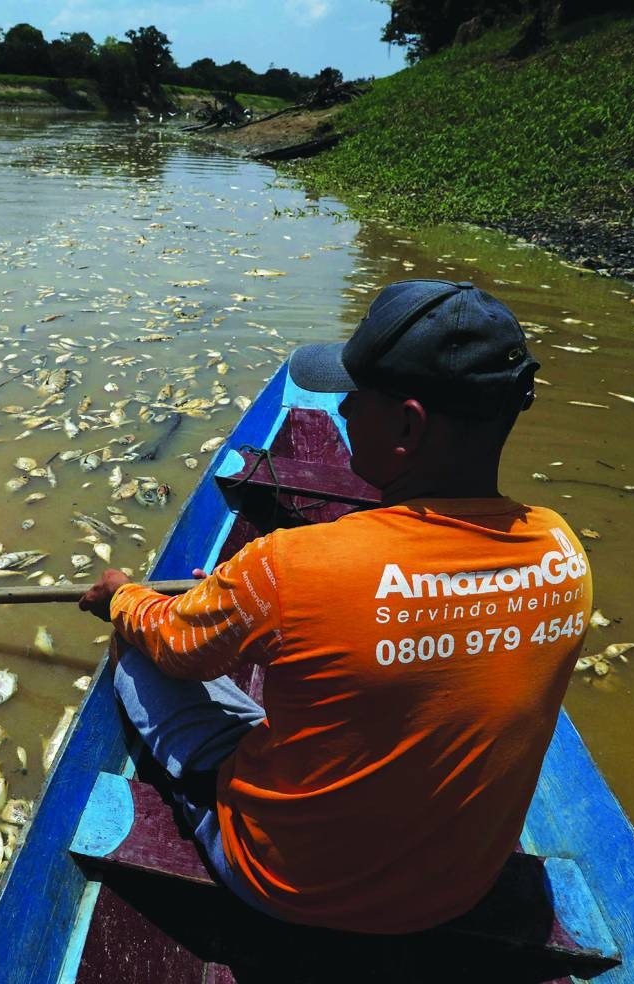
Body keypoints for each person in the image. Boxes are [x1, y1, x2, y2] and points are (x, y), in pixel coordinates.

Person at [79, 279, 593, 935]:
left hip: (285, 883)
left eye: (354, 400)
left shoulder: (291, 564)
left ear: (407, 424)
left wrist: (123, 596)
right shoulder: (562, 553)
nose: (340, 413)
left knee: (138, 649)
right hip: (458, 894)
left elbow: (178, 649)